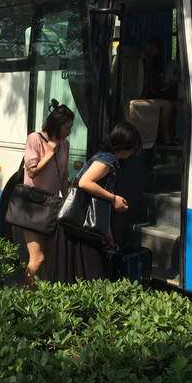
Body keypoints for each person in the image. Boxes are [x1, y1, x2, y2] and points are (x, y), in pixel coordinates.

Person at [51, 121, 142, 283]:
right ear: (128, 145)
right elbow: (85, 183)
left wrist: (107, 232)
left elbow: (98, 200)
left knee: (76, 275)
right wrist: (113, 198)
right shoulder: (108, 160)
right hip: (79, 225)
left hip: (79, 224)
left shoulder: (106, 157)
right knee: (91, 274)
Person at [22, 99, 75, 288]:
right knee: (38, 259)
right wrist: (50, 153)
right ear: (57, 125)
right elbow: (32, 172)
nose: (69, 131)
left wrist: (68, 203)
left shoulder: (65, 144)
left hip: (52, 206)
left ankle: (43, 296)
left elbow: (64, 176)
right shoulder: (34, 138)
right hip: (33, 206)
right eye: (67, 128)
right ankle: (27, 296)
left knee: (52, 259)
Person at [140, 37, 181, 145]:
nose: (152, 48)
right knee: (168, 105)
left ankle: (173, 137)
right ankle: (166, 138)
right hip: (143, 97)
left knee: (180, 105)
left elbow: (157, 85)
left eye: (156, 47)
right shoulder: (140, 62)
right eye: (151, 44)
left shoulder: (155, 66)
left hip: (154, 95)